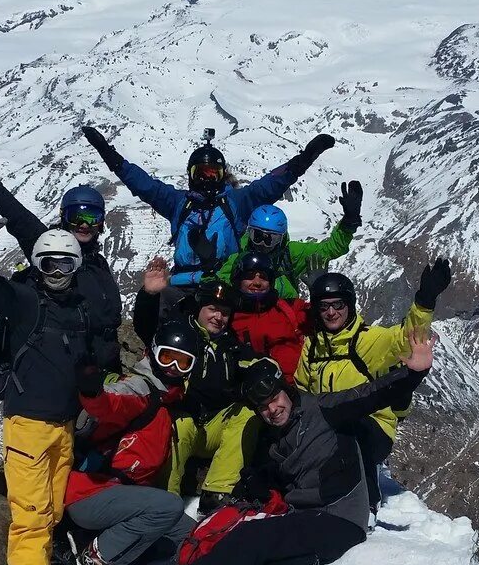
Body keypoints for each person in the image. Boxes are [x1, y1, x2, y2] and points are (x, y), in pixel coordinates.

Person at [129, 329, 435, 565]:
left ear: (285, 390)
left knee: (253, 538)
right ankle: (294, 564)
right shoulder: (272, 439)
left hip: (341, 519)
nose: (272, 410)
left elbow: (371, 395)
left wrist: (413, 374)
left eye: (274, 398)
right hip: (305, 516)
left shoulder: (325, 410)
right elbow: (275, 475)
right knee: (240, 535)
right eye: (262, 407)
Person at [0, 195, 93, 565]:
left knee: (53, 509)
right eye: (49, 264)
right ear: (37, 265)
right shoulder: (23, 299)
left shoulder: (76, 309)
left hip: (63, 425)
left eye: (67, 264)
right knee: (31, 511)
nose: (58, 272)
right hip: (27, 425)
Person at [81, 125, 336, 287]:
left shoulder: (235, 202)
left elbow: (272, 184)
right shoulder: (179, 203)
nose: (206, 179)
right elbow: (144, 185)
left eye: (213, 173)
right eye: (200, 173)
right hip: (180, 284)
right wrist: (110, 155)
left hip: (223, 283)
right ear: (191, 175)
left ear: (223, 174)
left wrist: (304, 159)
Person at [0, 147, 124, 373]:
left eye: (92, 217)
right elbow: (19, 218)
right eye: (76, 216)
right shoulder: (49, 248)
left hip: (102, 374)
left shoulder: (98, 264)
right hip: (63, 375)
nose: (84, 224)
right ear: (64, 218)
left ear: (101, 223)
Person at [297, 259, 452, 518]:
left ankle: (366, 502)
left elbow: (406, 338)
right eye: (324, 307)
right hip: (327, 427)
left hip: (372, 428)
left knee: (350, 428)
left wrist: (424, 302)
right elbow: (302, 390)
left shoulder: (369, 340)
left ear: (349, 305)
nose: (331, 312)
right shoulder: (311, 349)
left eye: (338, 305)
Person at [65, 320, 202, 565]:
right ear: (152, 353)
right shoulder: (141, 390)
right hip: (89, 494)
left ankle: (124, 560)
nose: (173, 368)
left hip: (120, 499)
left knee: (192, 539)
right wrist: (92, 392)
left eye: (182, 363)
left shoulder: (166, 399)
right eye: (167, 357)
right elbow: (113, 402)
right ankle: (99, 557)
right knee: (169, 506)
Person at [134, 258, 263, 510]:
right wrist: (149, 296)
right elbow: (146, 327)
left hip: (213, 425)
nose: (219, 317)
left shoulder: (232, 346)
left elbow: (255, 364)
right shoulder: (180, 334)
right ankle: (166, 500)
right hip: (184, 421)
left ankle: (217, 492)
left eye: (225, 313)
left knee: (247, 415)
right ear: (200, 308)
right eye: (213, 309)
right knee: (179, 423)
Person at [216, 182, 363, 299]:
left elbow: (330, 249)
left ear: (281, 239)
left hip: (285, 320)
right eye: (258, 236)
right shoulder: (239, 254)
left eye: (270, 239)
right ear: (250, 233)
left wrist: (348, 223)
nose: (262, 244)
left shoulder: (290, 254)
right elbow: (219, 281)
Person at [228, 249, 308, 380]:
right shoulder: (228, 315)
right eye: (250, 276)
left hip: (295, 389)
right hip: (248, 392)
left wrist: (320, 294)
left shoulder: (287, 309)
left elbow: (325, 315)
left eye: (263, 277)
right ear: (238, 280)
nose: (257, 282)